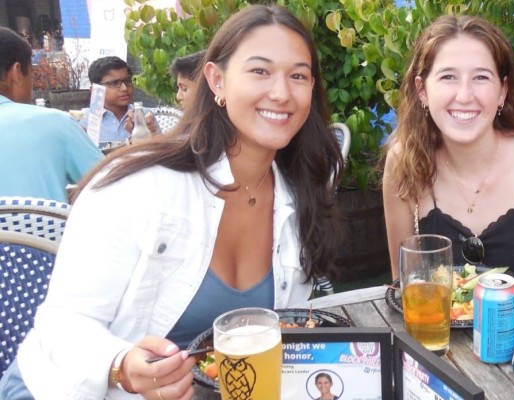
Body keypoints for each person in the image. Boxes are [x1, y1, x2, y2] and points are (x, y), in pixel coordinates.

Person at [1, 5, 343, 399]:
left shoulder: (299, 197)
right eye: (260, 71)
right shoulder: (139, 186)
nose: (281, 93)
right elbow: (62, 325)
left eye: (297, 76)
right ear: (216, 81)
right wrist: (120, 365)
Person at [382, 15, 514, 301]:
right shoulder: (404, 162)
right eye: (448, 77)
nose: (464, 95)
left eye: (481, 77)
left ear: (502, 91)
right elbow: (406, 285)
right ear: (422, 91)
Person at [0, 26, 102, 202]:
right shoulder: (56, 123)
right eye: (32, 75)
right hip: (44, 221)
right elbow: (110, 183)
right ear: (17, 72)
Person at [78, 56, 158, 144]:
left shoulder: (145, 116)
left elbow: (161, 150)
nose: (124, 88)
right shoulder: (84, 119)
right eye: (114, 83)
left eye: (128, 81)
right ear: (95, 89)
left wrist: (145, 134)